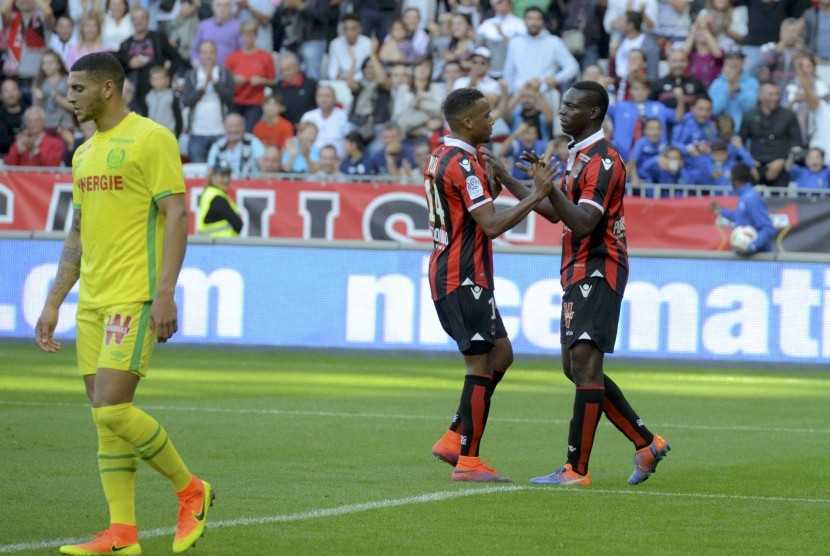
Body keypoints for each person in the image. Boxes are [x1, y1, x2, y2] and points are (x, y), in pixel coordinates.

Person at [34, 51, 212, 556]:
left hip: (133, 298)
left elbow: (176, 216)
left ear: (107, 89)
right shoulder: (84, 154)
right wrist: (54, 302)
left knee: (112, 410)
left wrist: (163, 294)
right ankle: (122, 534)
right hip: (91, 301)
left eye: (77, 90)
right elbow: (78, 231)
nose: (69, 99)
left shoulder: (152, 139)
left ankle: (191, 490)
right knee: (105, 418)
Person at [482, 80, 670, 486]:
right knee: (575, 366)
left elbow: (584, 221)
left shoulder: (603, 160)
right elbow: (554, 211)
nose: (563, 111)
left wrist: (544, 189)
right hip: (578, 269)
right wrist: (521, 184)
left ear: (594, 113)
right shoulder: (577, 155)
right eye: (563, 105)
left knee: (585, 366)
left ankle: (576, 469)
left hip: (600, 267)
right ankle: (645, 443)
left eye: (571, 106)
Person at [427, 87, 554, 483]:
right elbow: (492, 223)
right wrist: (538, 195)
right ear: (467, 122)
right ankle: (468, 461)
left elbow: (481, 204)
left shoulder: (449, 156)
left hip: (466, 273)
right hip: (462, 276)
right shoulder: (462, 164)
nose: (492, 119)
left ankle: (453, 437)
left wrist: (498, 177)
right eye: (485, 114)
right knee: (480, 363)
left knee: (501, 355)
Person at [710, 161, 776, 254]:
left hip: (758, 259)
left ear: (735, 178)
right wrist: (721, 211)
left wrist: (752, 247)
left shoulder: (751, 198)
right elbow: (740, 217)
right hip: (748, 257)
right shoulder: (744, 196)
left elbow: (768, 228)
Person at [198, 158, 242, 237]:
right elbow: (238, 224)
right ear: (213, 177)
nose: (226, 179)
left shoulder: (209, 193)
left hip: (212, 244)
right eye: (222, 175)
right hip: (219, 245)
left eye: (228, 175)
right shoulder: (217, 198)